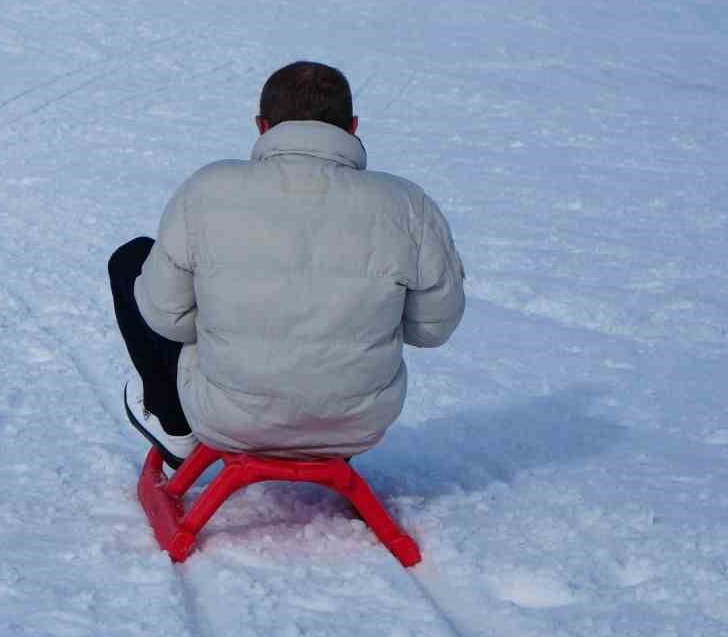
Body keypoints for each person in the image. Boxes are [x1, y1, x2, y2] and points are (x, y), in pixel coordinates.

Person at [110, 61, 465, 467]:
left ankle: (174, 425)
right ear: (352, 127)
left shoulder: (208, 190)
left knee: (131, 261)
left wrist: (220, 325)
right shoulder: (407, 205)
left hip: (228, 416)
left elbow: (167, 317)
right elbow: (432, 327)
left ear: (262, 126)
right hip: (356, 424)